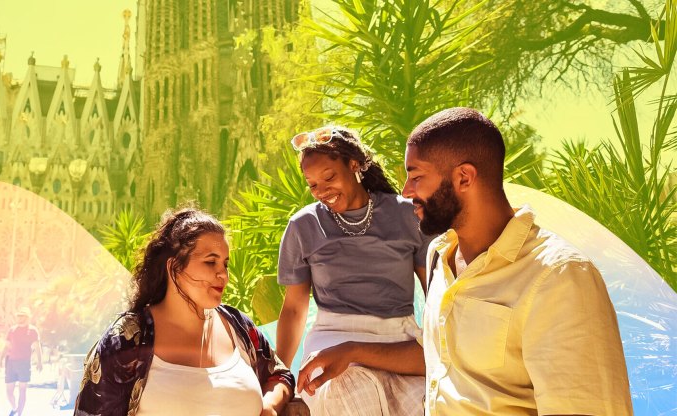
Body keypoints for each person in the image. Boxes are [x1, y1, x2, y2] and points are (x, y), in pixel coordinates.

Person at [403, 107, 633, 414]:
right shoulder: (438, 258)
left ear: (463, 177)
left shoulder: (558, 276)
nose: (406, 192)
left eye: (417, 177)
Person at [75, 207, 294, 416]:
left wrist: (270, 407)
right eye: (210, 263)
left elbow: (280, 375)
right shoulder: (127, 339)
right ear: (174, 268)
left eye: (225, 264)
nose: (223, 275)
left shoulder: (237, 326)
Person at [276, 126, 432, 415]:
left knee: (427, 402)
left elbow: (434, 295)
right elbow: (294, 310)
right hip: (332, 336)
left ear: (354, 165)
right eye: (312, 185)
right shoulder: (303, 226)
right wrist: (278, 378)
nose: (322, 191)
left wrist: (434, 345)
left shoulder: (407, 215)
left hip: (398, 338)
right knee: (348, 392)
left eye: (329, 177)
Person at [2, 307, 43, 416]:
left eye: (22, 316)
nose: (20, 318)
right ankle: (15, 407)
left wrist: (40, 361)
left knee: (22, 390)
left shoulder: (33, 330)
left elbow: (37, 347)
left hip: (24, 363)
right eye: (18, 316)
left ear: (28, 317)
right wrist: (0, 360)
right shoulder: (12, 330)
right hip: (11, 363)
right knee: (9, 392)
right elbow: (6, 346)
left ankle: (19, 413)